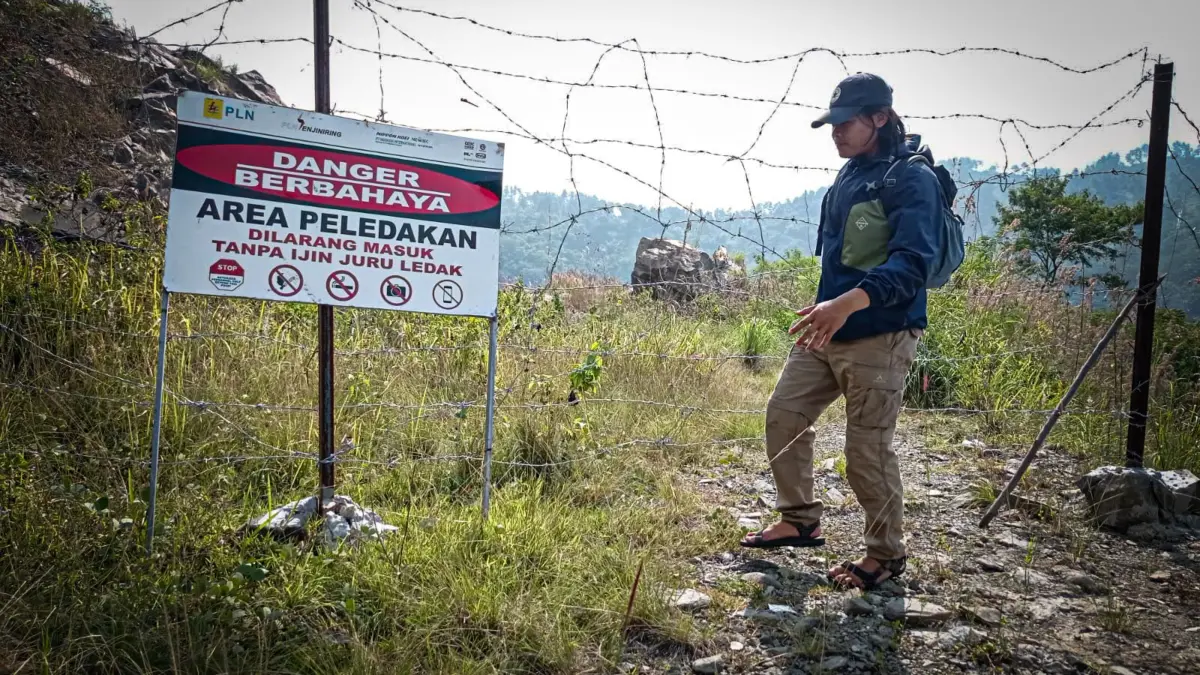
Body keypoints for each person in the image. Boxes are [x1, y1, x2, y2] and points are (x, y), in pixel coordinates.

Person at [739, 72, 942, 591]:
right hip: (828, 327)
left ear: (879, 118)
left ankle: (885, 555)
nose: (836, 133)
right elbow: (842, 254)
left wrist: (845, 305)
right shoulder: (850, 174)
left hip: (881, 332)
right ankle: (800, 519)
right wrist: (825, 306)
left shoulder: (911, 179)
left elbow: (914, 264)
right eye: (832, 124)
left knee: (866, 451)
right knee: (785, 415)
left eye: (846, 123)